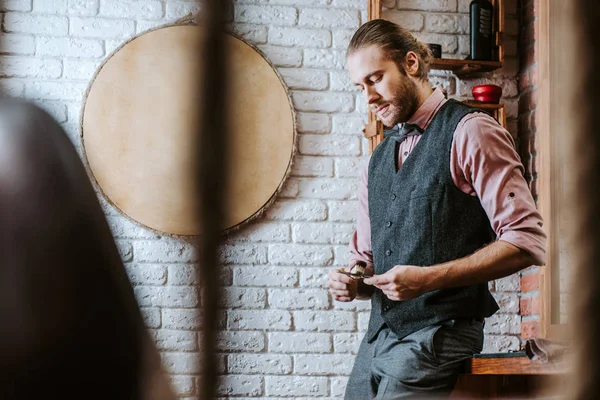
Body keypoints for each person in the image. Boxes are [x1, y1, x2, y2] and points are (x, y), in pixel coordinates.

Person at [326, 19, 546, 399]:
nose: (369, 97)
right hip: (379, 336)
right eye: (360, 87)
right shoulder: (377, 159)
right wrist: (353, 280)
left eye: (375, 79)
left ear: (411, 64)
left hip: (440, 334)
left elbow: (527, 240)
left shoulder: (472, 131)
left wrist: (427, 279)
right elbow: (368, 261)